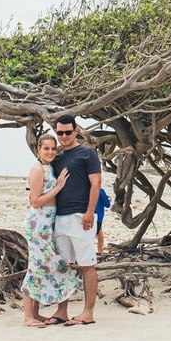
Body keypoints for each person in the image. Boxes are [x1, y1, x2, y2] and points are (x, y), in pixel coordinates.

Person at [45, 114, 102, 326]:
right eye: (60, 133)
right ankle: (62, 311)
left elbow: (95, 184)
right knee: (63, 266)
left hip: (81, 217)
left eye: (68, 132)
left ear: (75, 131)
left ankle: (88, 312)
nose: (64, 136)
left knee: (87, 264)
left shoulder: (88, 153)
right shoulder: (57, 157)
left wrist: (89, 212)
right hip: (60, 218)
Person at [20, 135, 80, 327]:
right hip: (38, 223)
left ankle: (35, 313)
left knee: (41, 266)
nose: (50, 152)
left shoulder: (48, 168)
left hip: (47, 222)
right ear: (38, 149)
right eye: (46, 148)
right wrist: (59, 187)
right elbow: (36, 201)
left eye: (53, 149)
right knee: (36, 267)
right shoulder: (37, 170)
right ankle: (28, 317)